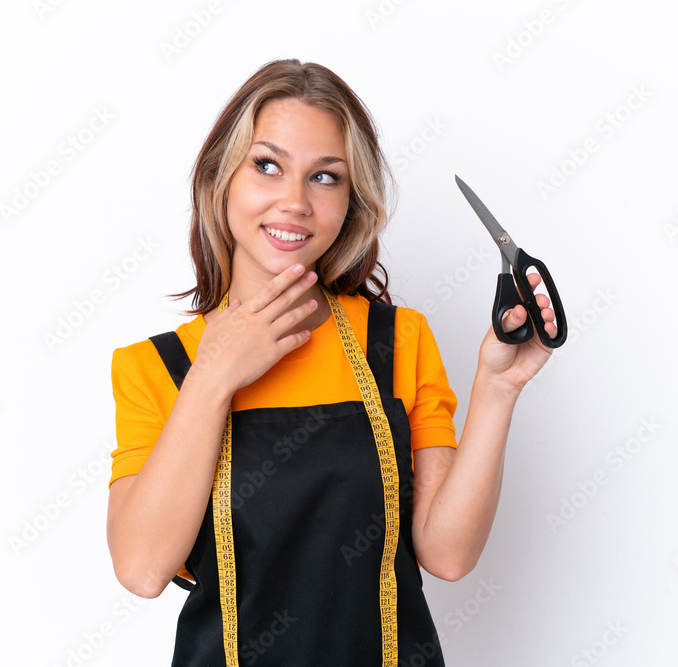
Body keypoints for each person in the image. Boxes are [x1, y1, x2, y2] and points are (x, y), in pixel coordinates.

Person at [105, 58, 556, 666]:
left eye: (325, 177)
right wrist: (215, 374)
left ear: (351, 200)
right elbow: (141, 568)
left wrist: (499, 386)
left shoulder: (398, 342)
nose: (294, 201)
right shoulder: (156, 367)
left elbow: (448, 555)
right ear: (221, 179)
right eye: (267, 166)